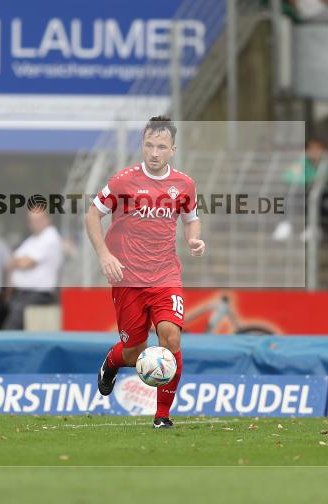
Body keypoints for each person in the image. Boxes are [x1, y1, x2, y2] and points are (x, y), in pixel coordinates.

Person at [88, 116, 204, 429]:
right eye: (149, 145)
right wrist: (104, 254)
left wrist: (193, 237)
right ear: (142, 144)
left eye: (161, 146)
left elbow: (192, 218)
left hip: (166, 277)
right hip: (128, 279)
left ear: (173, 149)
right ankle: (112, 363)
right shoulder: (123, 181)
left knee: (171, 339)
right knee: (133, 351)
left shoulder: (184, 184)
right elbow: (91, 215)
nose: (154, 152)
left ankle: (162, 415)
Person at [2, 206, 64, 330]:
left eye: (38, 220)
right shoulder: (32, 240)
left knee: (11, 331)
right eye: (31, 220)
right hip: (23, 295)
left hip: (38, 296)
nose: (34, 224)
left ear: (47, 219)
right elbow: (9, 263)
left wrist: (17, 261)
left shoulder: (50, 237)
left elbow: (26, 263)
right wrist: (17, 262)